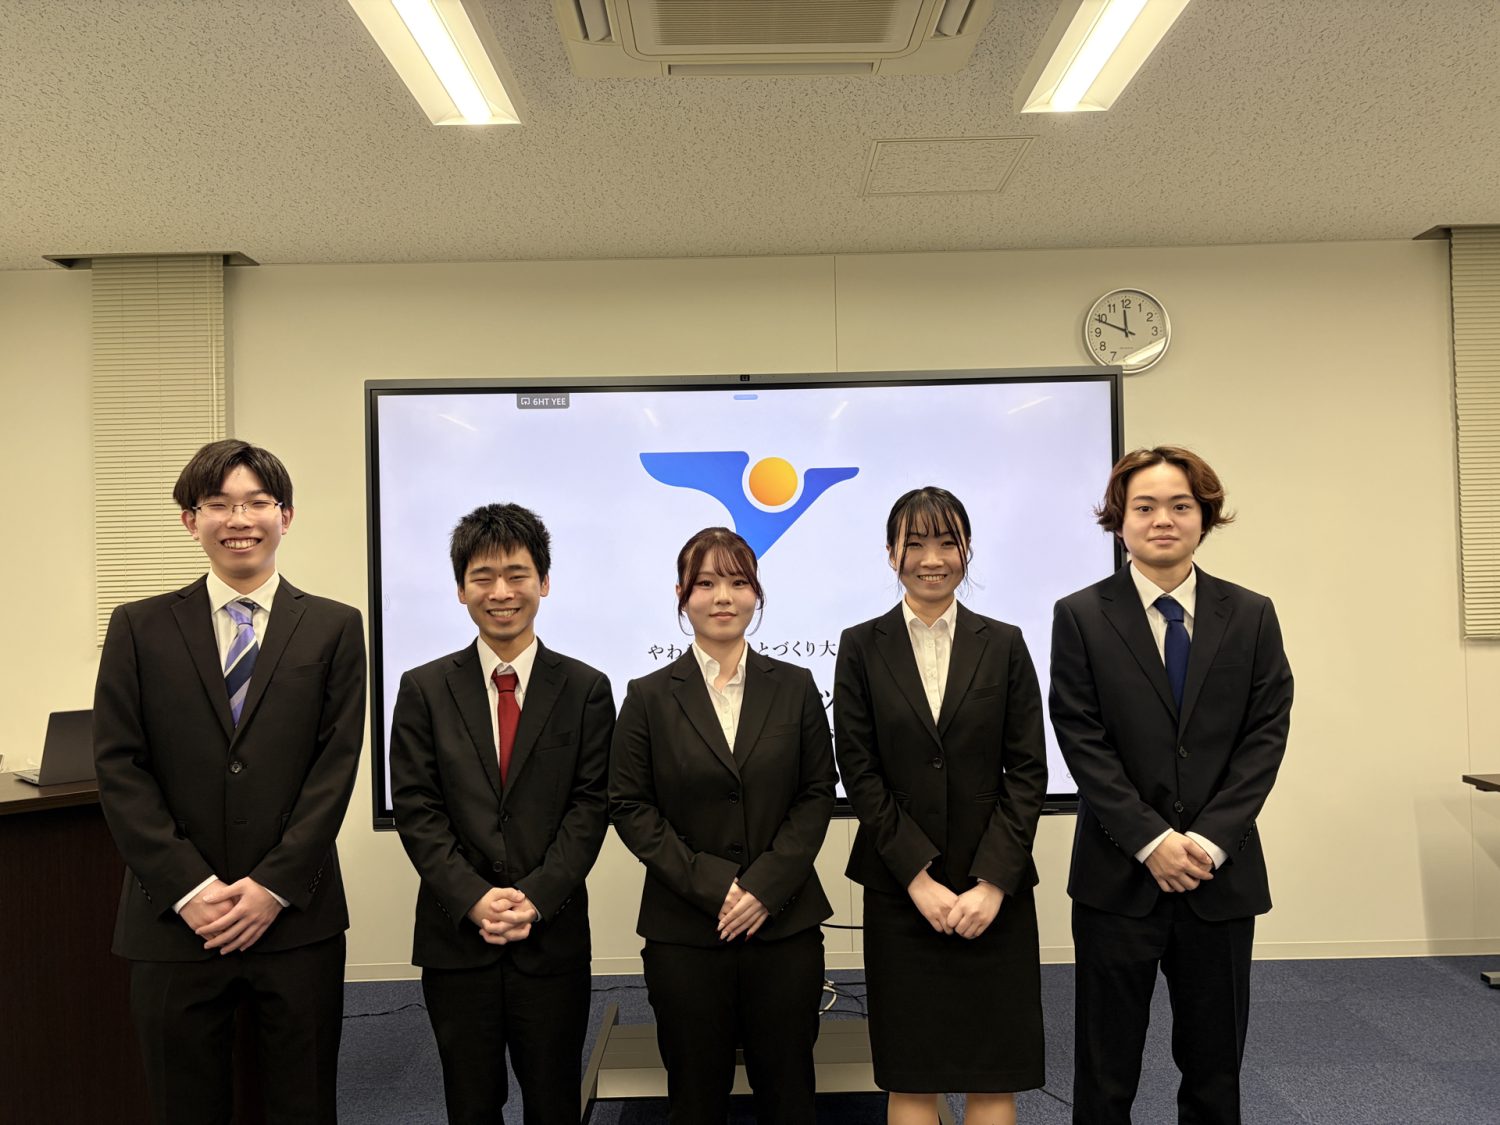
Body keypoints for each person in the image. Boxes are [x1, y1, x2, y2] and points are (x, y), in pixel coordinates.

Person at [93, 438, 366, 1125]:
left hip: (295, 915)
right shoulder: (138, 627)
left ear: (286, 515)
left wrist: (272, 885)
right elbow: (120, 766)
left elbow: (334, 768)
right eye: (218, 504)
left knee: (304, 1105)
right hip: (175, 919)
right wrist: (189, 887)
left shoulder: (334, 627)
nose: (239, 519)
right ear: (191, 520)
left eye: (257, 502)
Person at [1049, 446, 1294, 1125]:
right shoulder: (1081, 615)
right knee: (1105, 1072)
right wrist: (1151, 840)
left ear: (1204, 516)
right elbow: (1081, 737)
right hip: (1117, 876)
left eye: (1180, 505)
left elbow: (1265, 736)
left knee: (1215, 1071)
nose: (1163, 519)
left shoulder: (1251, 614)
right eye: (1145, 506)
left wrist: (1208, 841)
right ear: (1119, 520)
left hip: (1220, 878)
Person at [389, 503, 614, 1125]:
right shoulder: (423, 688)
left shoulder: (586, 688)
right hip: (458, 938)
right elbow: (417, 808)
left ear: (544, 581)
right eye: (483, 577)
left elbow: (590, 806)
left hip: (552, 936)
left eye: (517, 575)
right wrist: (474, 898)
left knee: (554, 1102)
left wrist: (535, 898)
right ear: (461, 588)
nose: (501, 592)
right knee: (470, 1104)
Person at [834, 486, 1048, 1125]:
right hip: (902, 890)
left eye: (947, 542)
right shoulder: (861, 645)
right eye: (915, 543)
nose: (932, 559)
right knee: (912, 1073)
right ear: (891, 553)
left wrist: (993, 882)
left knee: (994, 1072)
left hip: (994, 888)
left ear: (967, 550)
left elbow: (1027, 770)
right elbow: (860, 771)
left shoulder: (1004, 642)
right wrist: (917, 879)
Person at [609, 526, 836, 1124]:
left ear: (756, 593)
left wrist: (764, 887)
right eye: (706, 583)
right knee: (694, 1097)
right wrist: (716, 886)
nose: (723, 597)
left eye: (738, 582)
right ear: (682, 596)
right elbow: (629, 805)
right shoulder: (648, 696)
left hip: (783, 926)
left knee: (789, 1094)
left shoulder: (796, 686)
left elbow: (816, 793)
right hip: (686, 931)